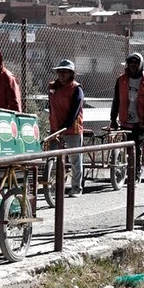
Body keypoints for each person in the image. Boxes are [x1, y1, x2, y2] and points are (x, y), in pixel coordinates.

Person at [110, 52, 144, 183]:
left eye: (136, 63)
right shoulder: (121, 80)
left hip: (141, 122)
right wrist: (113, 119)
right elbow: (116, 100)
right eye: (130, 63)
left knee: (136, 148)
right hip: (125, 120)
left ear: (141, 64)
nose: (133, 65)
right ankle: (125, 172)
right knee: (126, 147)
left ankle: (136, 174)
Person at [48, 59, 84, 197]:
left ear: (71, 74)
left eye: (65, 72)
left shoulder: (76, 88)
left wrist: (65, 125)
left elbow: (75, 111)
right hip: (55, 128)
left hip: (72, 129)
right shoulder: (52, 86)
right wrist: (54, 125)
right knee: (53, 158)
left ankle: (76, 188)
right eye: (59, 71)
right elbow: (51, 106)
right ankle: (56, 187)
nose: (61, 74)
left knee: (75, 160)